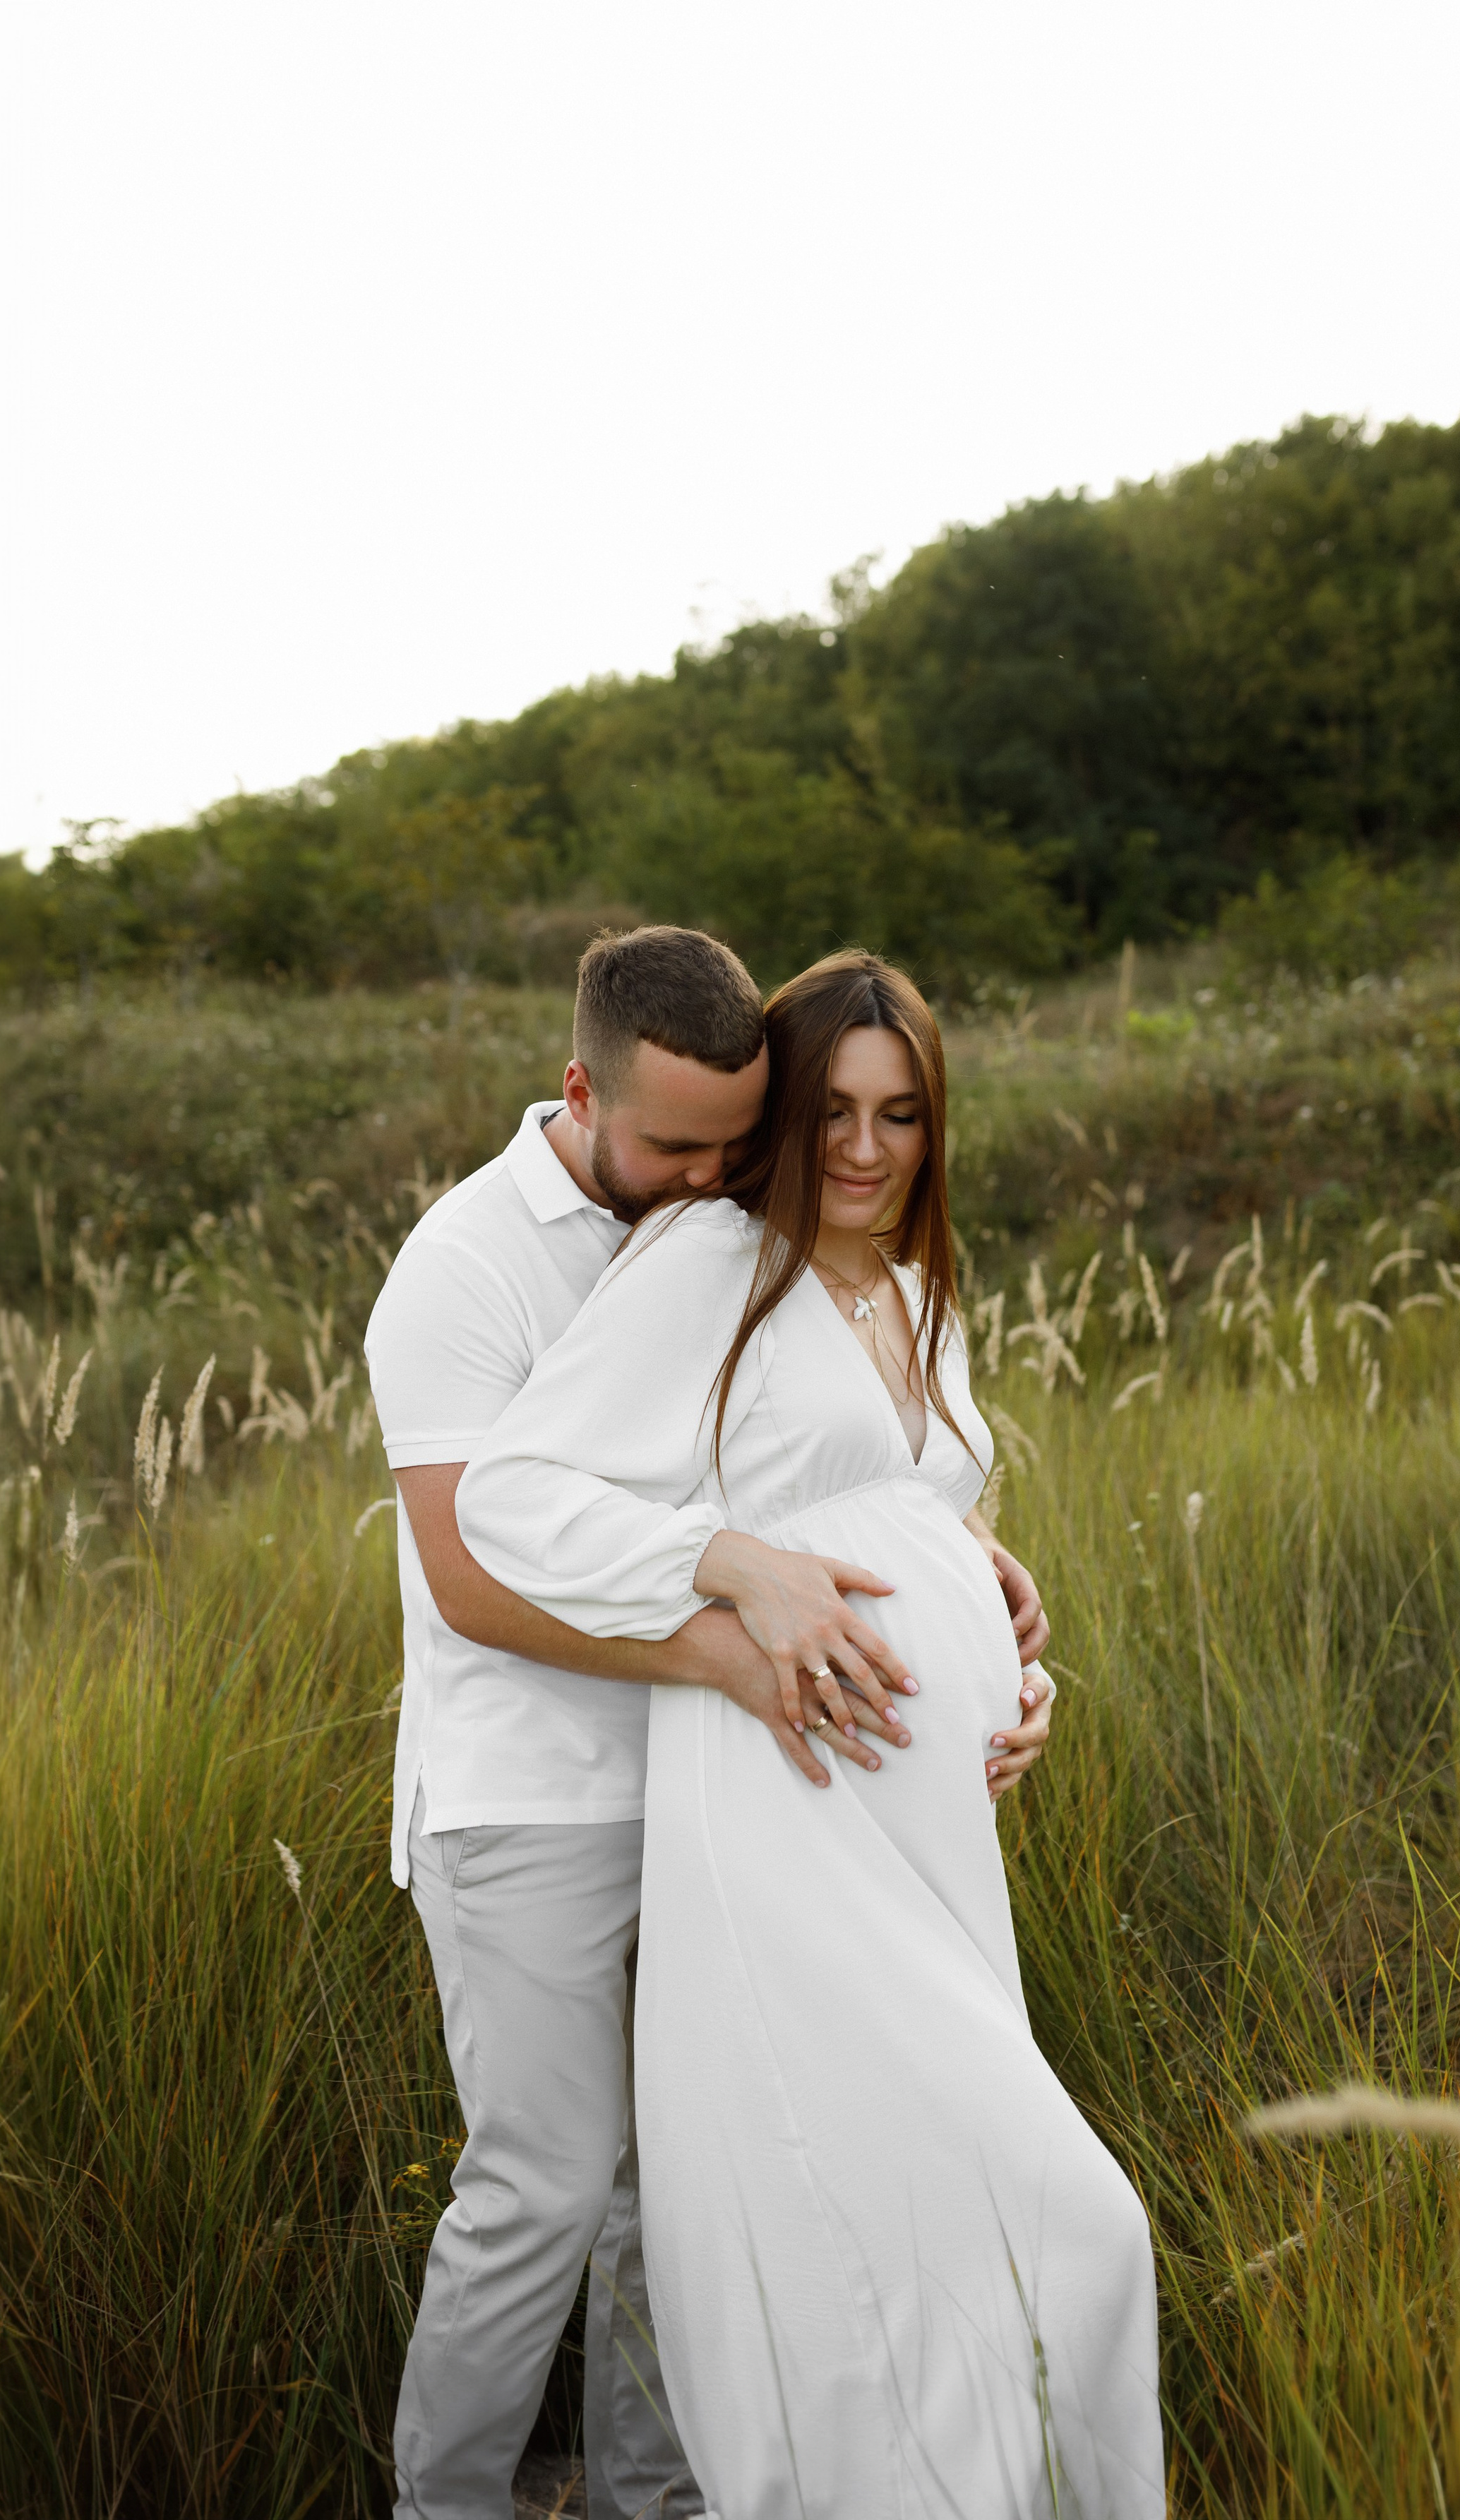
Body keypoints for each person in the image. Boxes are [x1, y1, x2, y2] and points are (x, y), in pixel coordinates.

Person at [457, 950, 1164, 2519]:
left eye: (898, 1114)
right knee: (1046, 2214)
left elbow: (926, 1517)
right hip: (789, 1817)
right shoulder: (714, 1260)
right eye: (832, 1111)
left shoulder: (914, 1292)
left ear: (932, 1127)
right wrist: (728, 1566)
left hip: (928, 1835)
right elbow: (512, 1501)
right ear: (783, 1116)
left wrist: (1009, 1664)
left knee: (939, 2213)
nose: (862, 1149)